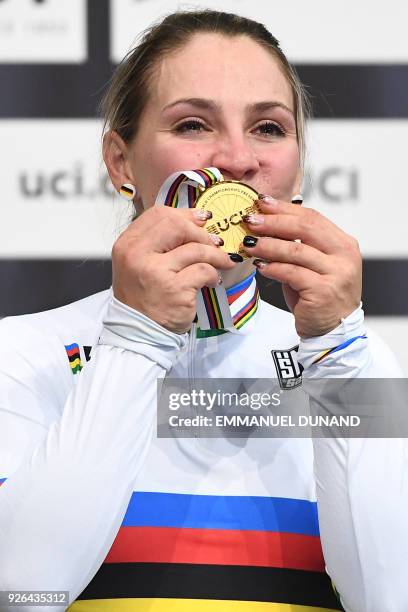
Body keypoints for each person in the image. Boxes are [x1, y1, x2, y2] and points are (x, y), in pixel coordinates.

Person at [0, 9, 406, 612]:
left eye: (269, 128)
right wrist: (137, 338)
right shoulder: (22, 354)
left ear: (297, 165)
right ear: (120, 162)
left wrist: (339, 353)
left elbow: (389, 597)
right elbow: (23, 592)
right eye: (193, 123)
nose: (238, 160)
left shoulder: (360, 362)